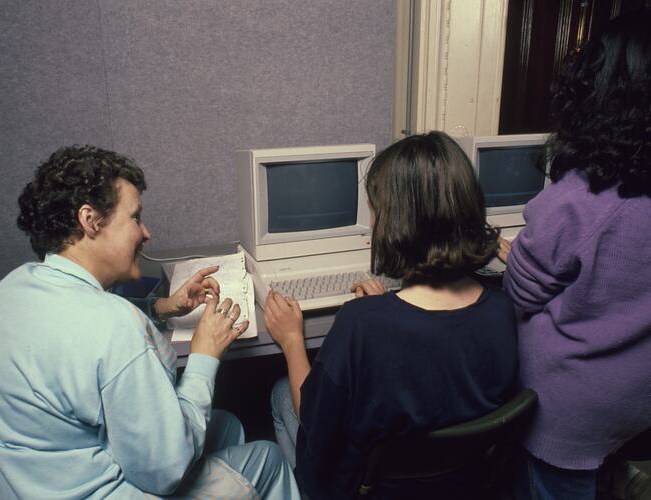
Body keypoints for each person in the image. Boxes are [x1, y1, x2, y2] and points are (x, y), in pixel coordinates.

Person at [0, 145, 301, 499]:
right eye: (135, 218)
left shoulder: (9, 289)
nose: (146, 232)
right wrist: (204, 356)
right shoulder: (114, 325)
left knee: (227, 426)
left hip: (22, 484)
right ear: (90, 220)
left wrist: (160, 309)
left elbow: (80, 331)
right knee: (269, 457)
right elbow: (167, 471)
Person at [266, 131, 519, 499]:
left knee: (280, 394)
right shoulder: (502, 309)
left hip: (363, 489)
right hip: (461, 484)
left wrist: (291, 341)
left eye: (377, 210)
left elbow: (316, 423)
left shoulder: (362, 325)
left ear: (396, 221)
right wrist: (388, 305)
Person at [500, 10, 651, 500]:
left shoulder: (582, 197)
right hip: (636, 396)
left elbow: (520, 296)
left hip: (571, 410)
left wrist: (516, 255)